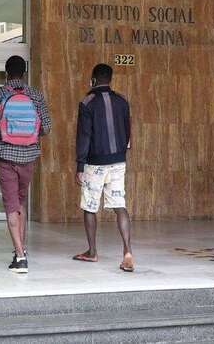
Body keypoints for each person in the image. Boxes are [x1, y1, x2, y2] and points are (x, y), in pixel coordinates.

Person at [0, 55, 51, 274]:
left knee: (11, 205)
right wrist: (29, 135)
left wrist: (7, 133)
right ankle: (20, 249)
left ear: (6, 72)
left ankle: (20, 257)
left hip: (5, 155)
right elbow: (46, 127)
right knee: (20, 202)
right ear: (24, 73)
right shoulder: (35, 95)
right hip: (29, 156)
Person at [73, 63, 134, 272]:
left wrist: (80, 164)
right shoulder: (122, 101)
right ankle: (127, 251)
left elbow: (84, 135)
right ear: (110, 79)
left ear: (93, 79)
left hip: (94, 163)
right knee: (120, 205)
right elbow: (128, 131)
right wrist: (121, 153)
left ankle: (92, 252)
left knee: (90, 206)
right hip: (118, 161)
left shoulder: (87, 102)